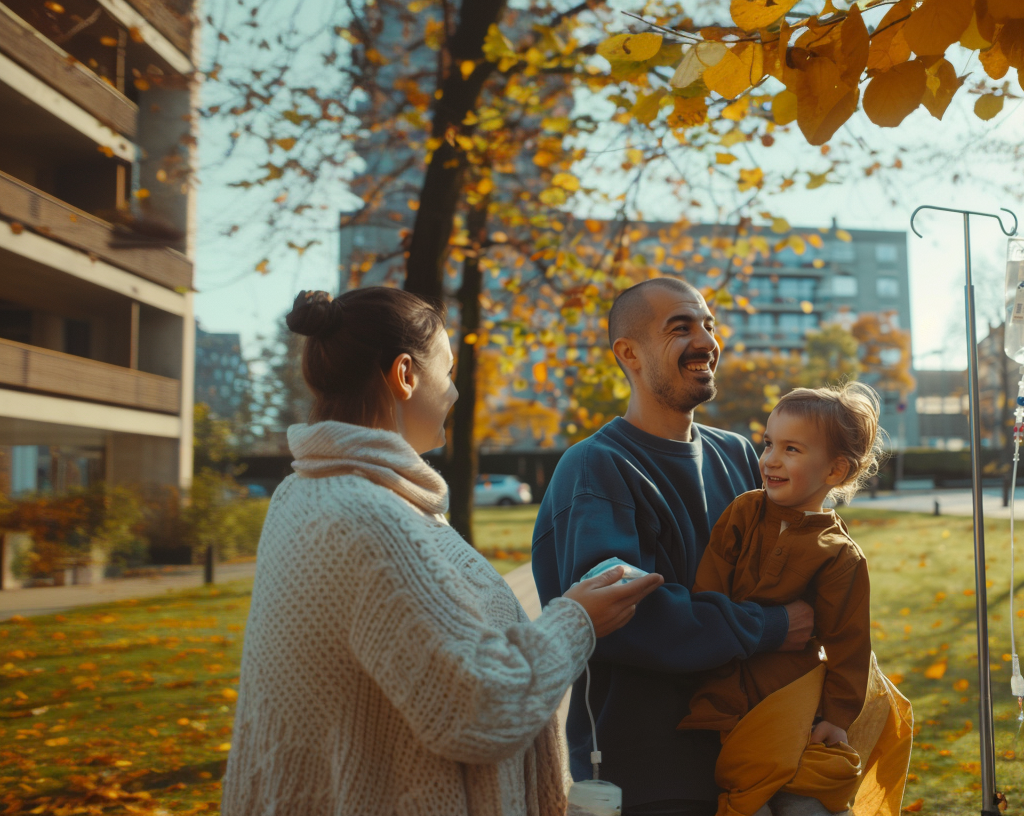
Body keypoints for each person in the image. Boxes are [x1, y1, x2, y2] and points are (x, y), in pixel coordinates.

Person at [223, 288, 663, 816]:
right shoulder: (365, 517)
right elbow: (478, 707)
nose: (454, 392)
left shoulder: (314, 491)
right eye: (448, 371)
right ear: (405, 375)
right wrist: (577, 620)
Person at [532, 278, 815, 816]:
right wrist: (771, 627)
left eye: (708, 325)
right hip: (656, 776)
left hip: (763, 750)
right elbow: (626, 615)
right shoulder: (596, 466)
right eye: (680, 328)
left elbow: (789, 568)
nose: (706, 340)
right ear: (629, 353)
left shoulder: (736, 453)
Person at [679, 383, 887, 816]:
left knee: (802, 802)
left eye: (791, 449)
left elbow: (851, 644)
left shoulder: (839, 554)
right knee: (747, 797)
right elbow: (708, 593)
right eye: (769, 443)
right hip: (729, 698)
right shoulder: (743, 512)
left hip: (792, 705)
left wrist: (836, 717)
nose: (770, 459)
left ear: (834, 471)